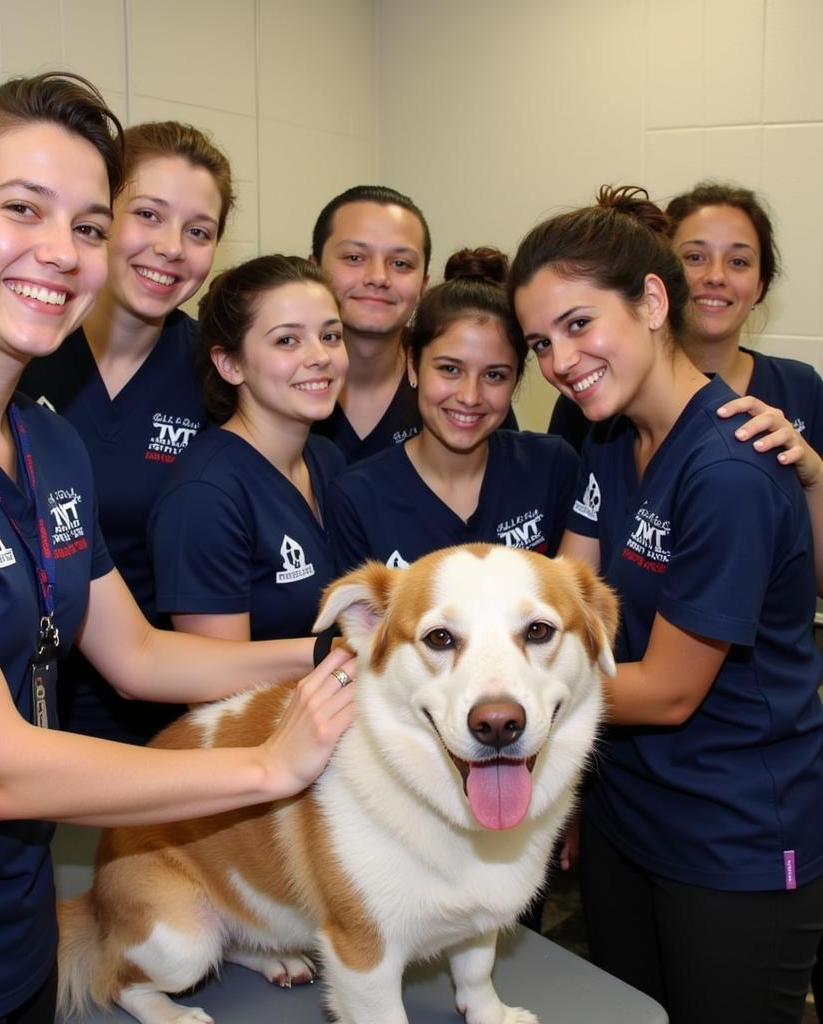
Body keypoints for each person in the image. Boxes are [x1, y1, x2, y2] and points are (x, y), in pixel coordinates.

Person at [0, 73, 355, 1024]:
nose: (61, 253)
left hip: (14, 934)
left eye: (89, 228)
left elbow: (134, 655)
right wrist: (270, 767)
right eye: (23, 209)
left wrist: (333, 652)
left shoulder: (47, 443)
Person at [509, 185, 823, 1024]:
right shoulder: (610, 437)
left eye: (579, 325)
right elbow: (565, 602)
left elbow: (671, 689)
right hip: (628, 812)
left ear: (652, 301)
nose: (560, 362)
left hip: (731, 836)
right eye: (541, 343)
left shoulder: (729, 470)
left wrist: (498, 697)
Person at [18, 121, 232, 742]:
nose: (171, 248)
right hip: (11, 691)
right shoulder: (23, 346)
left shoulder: (216, 374)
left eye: (199, 232)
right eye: (147, 214)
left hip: (158, 698)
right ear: (96, 218)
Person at [326, 246, 577, 576]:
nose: (470, 396)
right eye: (449, 369)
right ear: (413, 366)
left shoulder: (552, 467)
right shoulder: (357, 497)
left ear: (516, 380)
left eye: (494, 375)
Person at [147, 254, 348, 642]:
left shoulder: (327, 458)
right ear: (230, 364)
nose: (320, 357)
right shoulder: (205, 496)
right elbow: (216, 685)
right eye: (287, 340)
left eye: (330, 336)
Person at [547, 181, 823, 460]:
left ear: (760, 286)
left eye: (738, 261)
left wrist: (814, 474)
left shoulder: (802, 389)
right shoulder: (594, 388)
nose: (716, 276)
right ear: (661, 277)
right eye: (694, 257)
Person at [309, 185, 520, 464]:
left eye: (400, 263)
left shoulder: (460, 393)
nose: (378, 277)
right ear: (313, 270)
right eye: (354, 258)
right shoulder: (277, 385)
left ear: (423, 285)